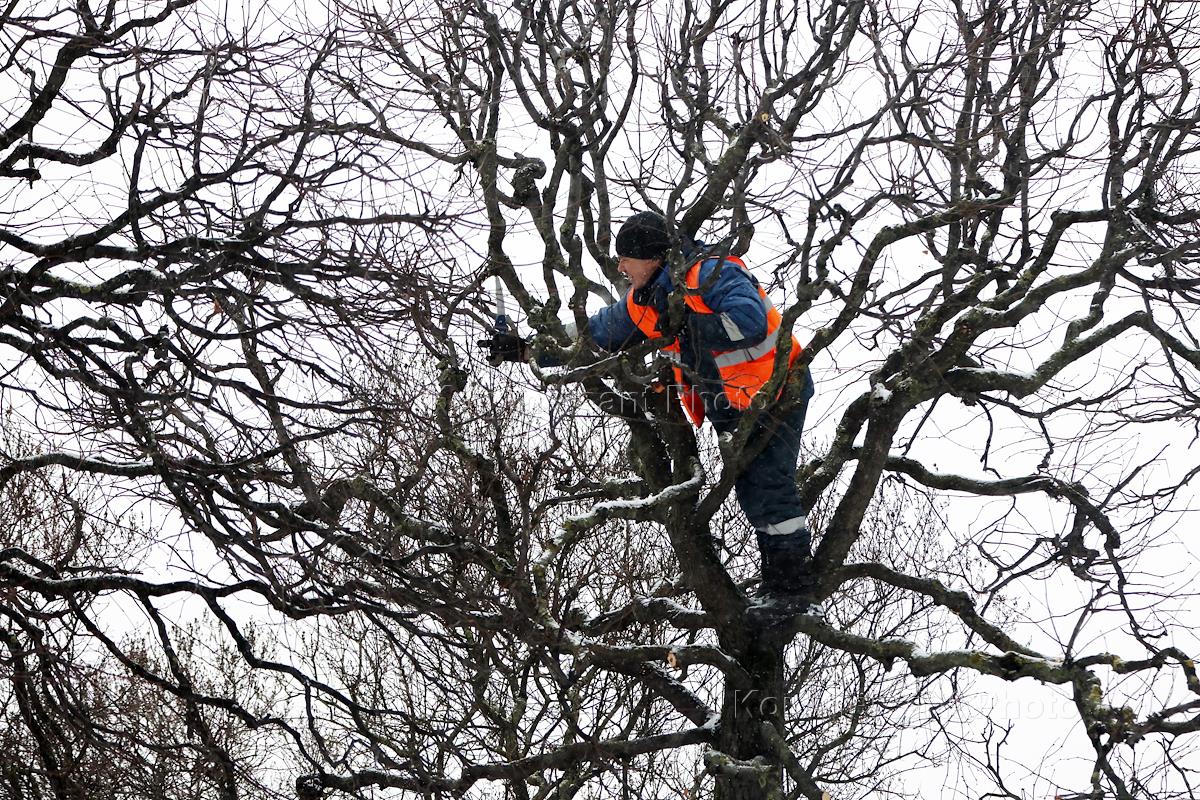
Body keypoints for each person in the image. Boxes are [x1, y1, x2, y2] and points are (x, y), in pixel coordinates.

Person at [480, 211, 818, 610]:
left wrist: (686, 324)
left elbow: (749, 322)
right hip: (733, 404)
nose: (621, 267)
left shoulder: (711, 273)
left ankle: (794, 592)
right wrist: (526, 349)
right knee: (752, 489)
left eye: (627, 259)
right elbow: (592, 334)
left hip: (776, 391)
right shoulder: (643, 301)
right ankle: (778, 587)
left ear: (652, 257)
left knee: (768, 486)